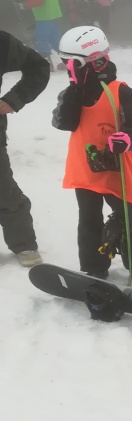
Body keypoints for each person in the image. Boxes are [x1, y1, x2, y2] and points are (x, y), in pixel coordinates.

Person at [52, 26, 132, 282]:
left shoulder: (122, 92)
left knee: (126, 215)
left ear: (94, 61)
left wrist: (127, 138)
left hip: (115, 167)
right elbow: (64, 122)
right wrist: (76, 87)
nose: (68, 69)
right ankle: (94, 265)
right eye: (67, 64)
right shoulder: (72, 94)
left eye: (72, 64)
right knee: (88, 217)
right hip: (85, 168)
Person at [0, 29, 50, 266]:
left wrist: (14, 99)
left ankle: (23, 244)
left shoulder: (2, 42)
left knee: (3, 191)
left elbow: (38, 67)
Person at [18, 0, 63, 71]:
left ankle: (46, 64)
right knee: (55, 40)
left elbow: (38, 0)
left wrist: (23, 5)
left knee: (41, 39)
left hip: (44, 17)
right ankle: (70, 61)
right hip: (54, 15)